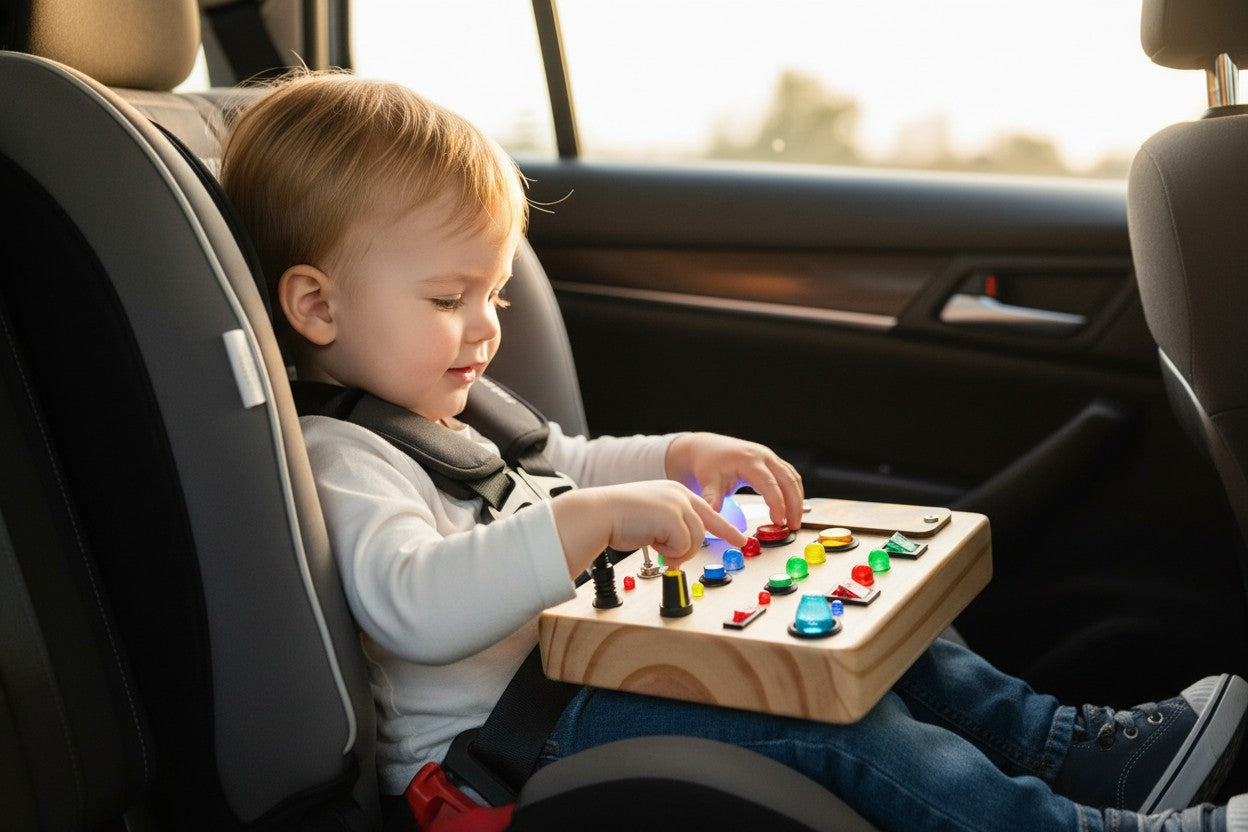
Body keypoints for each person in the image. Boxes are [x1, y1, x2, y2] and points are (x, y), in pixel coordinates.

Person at [219, 70, 1248, 832]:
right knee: (832, 731)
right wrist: (587, 527)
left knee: (872, 624)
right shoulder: (341, 455)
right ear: (316, 303)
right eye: (450, 300)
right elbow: (411, 599)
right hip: (504, 746)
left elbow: (563, 462)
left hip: (594, 678)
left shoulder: (453, 406)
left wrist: (679, 458)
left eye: (491, 293)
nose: (486, 326)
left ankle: (1083, 752)